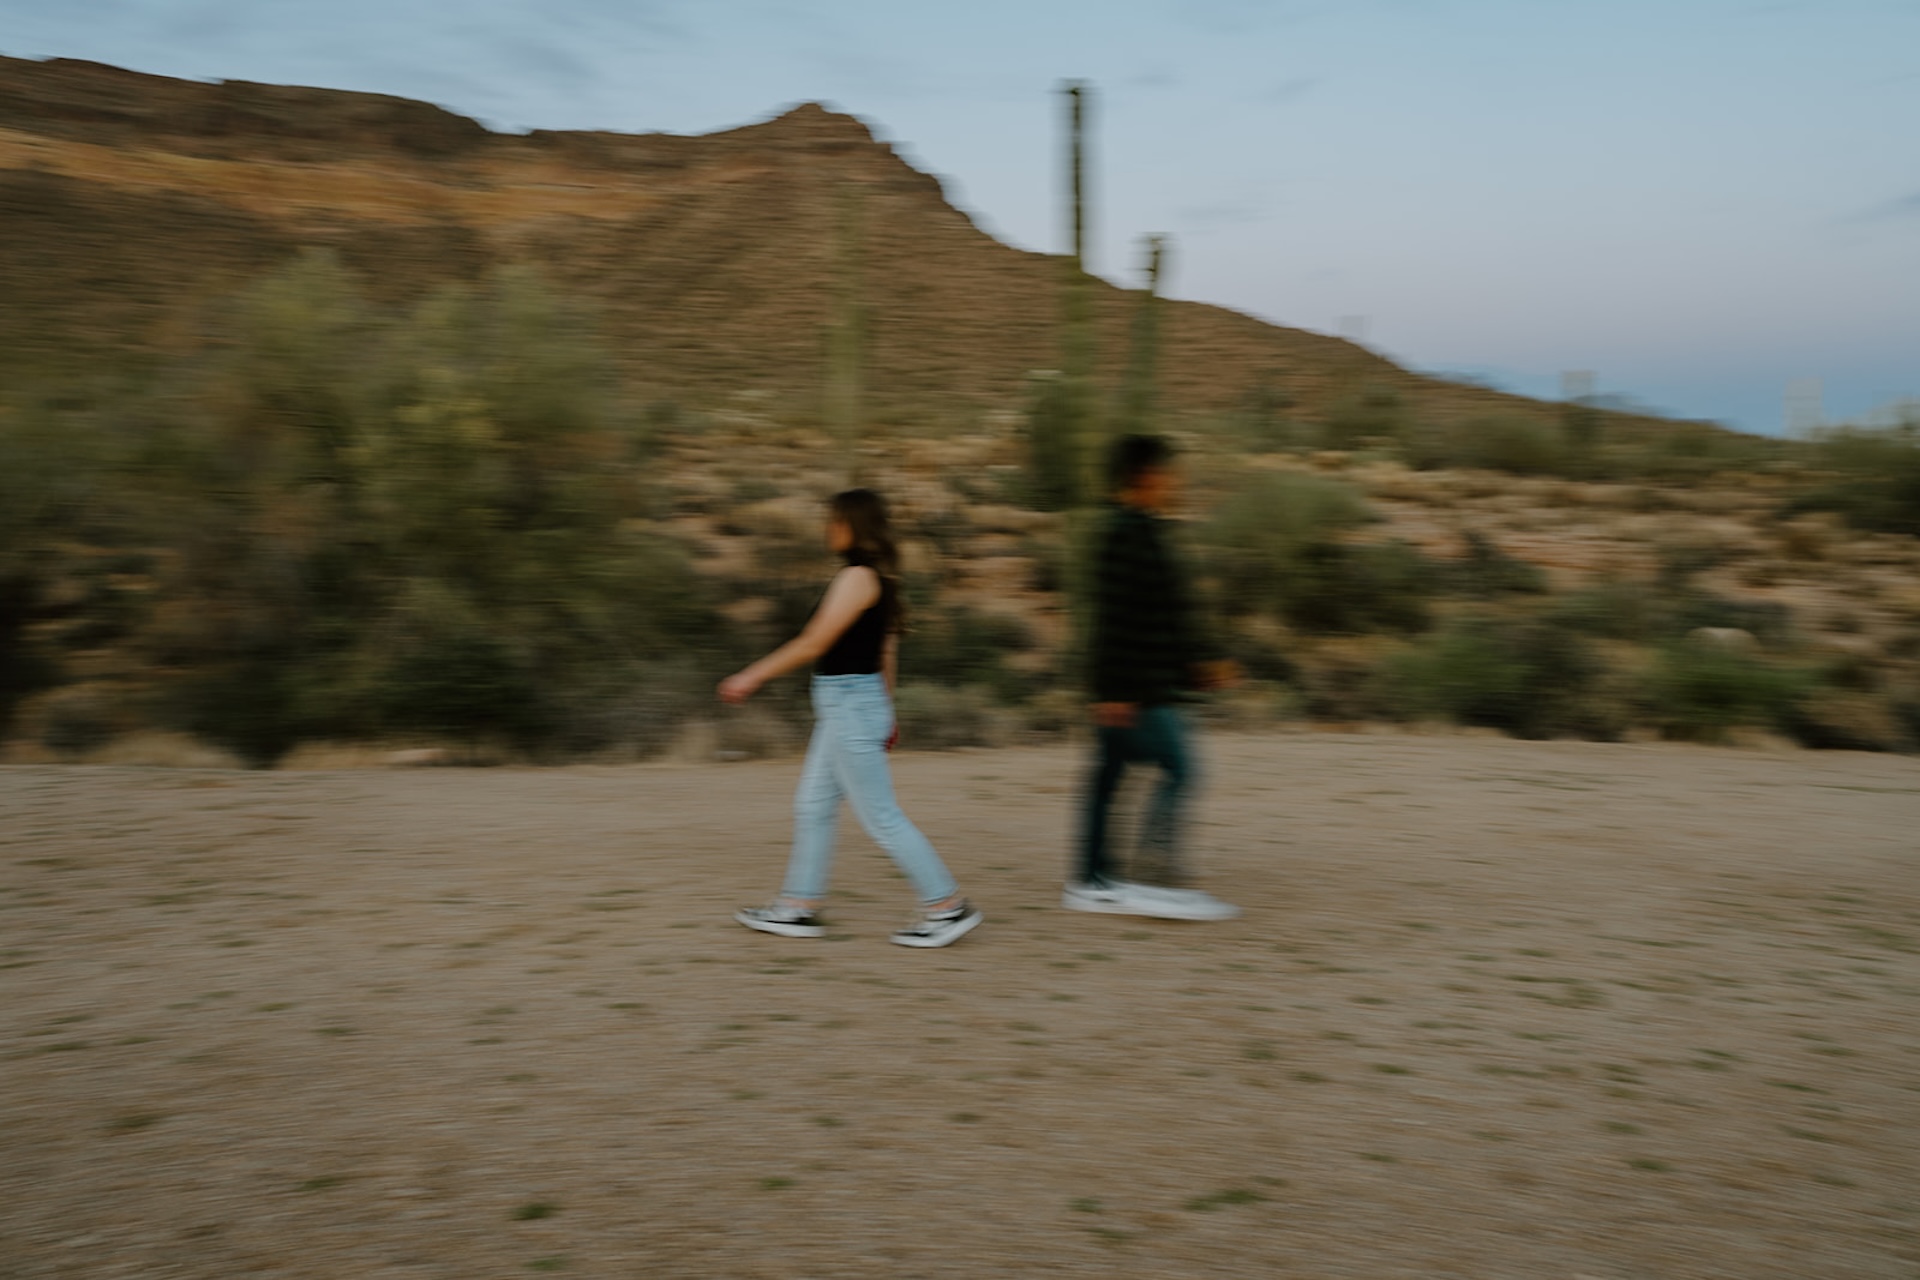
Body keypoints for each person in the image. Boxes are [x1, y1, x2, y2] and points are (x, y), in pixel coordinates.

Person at [720, 488, 982, 948]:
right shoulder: (879, 578)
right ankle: (797, 906)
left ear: (853, 525)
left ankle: (946, 907)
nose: (828, 528)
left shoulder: (857, 577)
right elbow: (886, 652)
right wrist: (887, 709)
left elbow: (814, 642)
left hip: (849, 706)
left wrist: (751, 676)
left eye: (835, 520)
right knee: (813, 805)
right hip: (854, 705)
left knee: (880, 816)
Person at [1065, 434, 1241, 922]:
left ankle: (1092, 879)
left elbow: (1165, 612)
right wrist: (1114, 691)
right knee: (1181, 769)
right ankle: (1148, 876)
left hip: (1140, 681)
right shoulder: (1124, 534)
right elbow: (1116, 618)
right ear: (1145, 476)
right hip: (1134, 687)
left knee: (1107, 777)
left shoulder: (1144, 529)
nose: (1175, 481)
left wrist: (1197, 666)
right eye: (1169, 471)